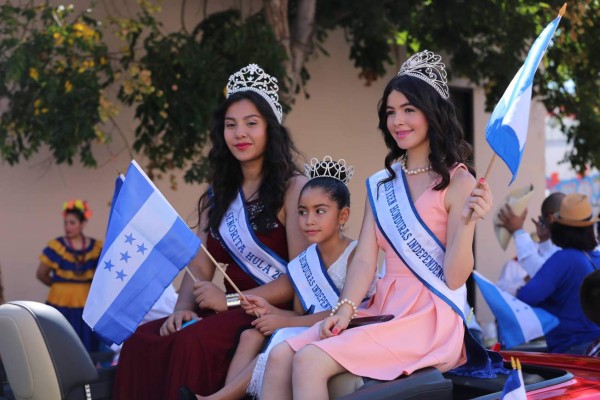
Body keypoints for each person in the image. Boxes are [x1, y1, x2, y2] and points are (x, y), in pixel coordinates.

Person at [260, 50, 503, 400]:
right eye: (391, 112)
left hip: (428, 317)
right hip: (383, 308)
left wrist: (467, 223)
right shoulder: (382, 184)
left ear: (432, 114)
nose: (398, 121)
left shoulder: (459, 182)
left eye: (409, 110)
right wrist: (345, 309)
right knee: (281, 355)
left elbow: (453, 278)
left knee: (310, 360)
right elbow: (364, 259)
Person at [112, 64, 309, 400]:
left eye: (251, 123)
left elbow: (301, 276)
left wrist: (228, 300)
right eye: (230, 125)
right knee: (140, 341)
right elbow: (200, 265)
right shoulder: (218, 193)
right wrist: (182, 309)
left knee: (193, 342)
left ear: (270, 129)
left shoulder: (295, 188)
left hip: (270, 310)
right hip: (226, 308)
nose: (239, 134)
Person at [179, 157, 375, 400]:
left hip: (345, 330)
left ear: (343, 216)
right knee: (251, 335)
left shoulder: (355, 254)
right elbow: (299, 312)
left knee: (282, 341)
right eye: (302, 212)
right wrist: (272, 311)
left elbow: (350, 312)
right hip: (310, 326)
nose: (309, 220)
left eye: (320, 211)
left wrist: (283, 323)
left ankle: (216, 399)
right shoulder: (304, 261)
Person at [517, 193, 600, 354]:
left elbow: (526, 297)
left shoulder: (564, 259)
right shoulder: (597, 257)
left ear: (560, 228)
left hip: (572, 349)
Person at [36, 199, 103, 352]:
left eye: (72, 223)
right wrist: (60, 285)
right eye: (66, 223)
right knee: (59, 341)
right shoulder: (57, 246)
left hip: (86, 302)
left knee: (86, 340)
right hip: (60, 301)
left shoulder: (95, 247)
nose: (68, 227)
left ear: (82, 224)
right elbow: (41, 274)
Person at [496, 192, 564, 295]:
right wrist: (544, 240)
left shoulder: (570, 251)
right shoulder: (568, 247)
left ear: (550, 219)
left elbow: (543, 273)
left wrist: (518, 231)